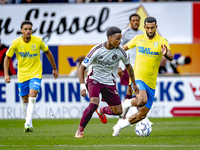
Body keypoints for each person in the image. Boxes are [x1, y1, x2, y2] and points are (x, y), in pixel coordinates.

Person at [112, 16, 173, 136]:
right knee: (142, 100)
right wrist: (113, 54)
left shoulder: (162, 41)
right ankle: (127, 103)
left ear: (156, 27)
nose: (150, 30)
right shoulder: (138, 39)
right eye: (148, 28)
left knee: (142, 115)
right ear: (144, 27)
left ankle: (119, 126)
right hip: (138, 77)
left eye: (152, 28)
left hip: (151, 82)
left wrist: (166, 54)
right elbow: (123, 48)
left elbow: (171, 56)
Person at [75, 26, 139, 138]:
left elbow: (129, 67)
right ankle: (80, 131)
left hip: (109, 82)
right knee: (93, 103)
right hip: (94, 79)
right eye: (118, 39)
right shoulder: (97, 50)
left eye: (121, 39)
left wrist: (133, 83)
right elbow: (82, 67)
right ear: (110, 38)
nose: (120, 41)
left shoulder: (121, 52)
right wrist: (82, 85)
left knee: (119, 111)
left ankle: (101, 110)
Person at [4, 20, 58, 132]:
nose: (28, 31)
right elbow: (7, 58)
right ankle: (29, 122)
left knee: (32, 95)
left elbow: (48, 52)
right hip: (22, 75)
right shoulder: (16, 43)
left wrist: (54, 68)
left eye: (30, 29)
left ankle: (27, 123)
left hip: (36, 73)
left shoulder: (38, 41)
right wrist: (6, 74)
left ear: (32, 30)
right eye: (26, 29)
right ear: (21, 31)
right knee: (25, 99)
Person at [118, 14, 152, 125]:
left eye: (137, 20)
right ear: (130, 21)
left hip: (139, 67)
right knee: (135, 91)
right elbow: (118, 49)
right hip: (128, 67)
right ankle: (137, 115)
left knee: (132, 91)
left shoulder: (142, 34)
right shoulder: (125, 33)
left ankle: (123, 115)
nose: (135, 22)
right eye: (133, 21)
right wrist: (119, 66)